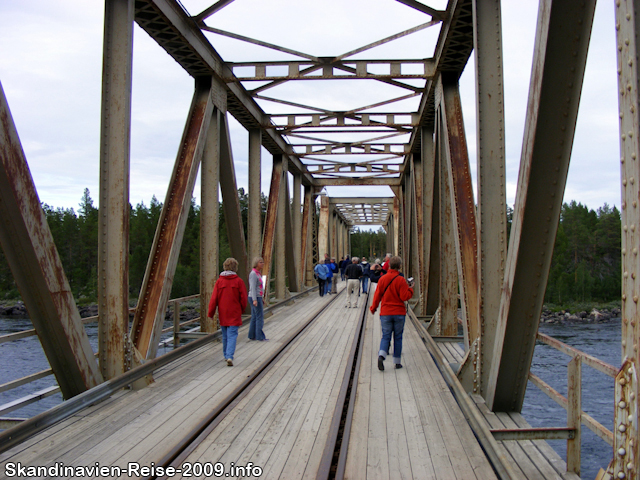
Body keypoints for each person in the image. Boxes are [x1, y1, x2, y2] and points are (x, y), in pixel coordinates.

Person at [369, 255, 414, 371]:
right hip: (399, 313)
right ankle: (397, 362)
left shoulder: (382, 279)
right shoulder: (401, 280)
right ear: (399, 266)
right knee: (398, 337)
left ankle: (382, 355)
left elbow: (377, 295)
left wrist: (373, 308)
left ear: (388, 265)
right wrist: (411, 289)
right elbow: (405, 297)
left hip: (385, 313)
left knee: (386, 336)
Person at [208, 257, 248, 367]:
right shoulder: (239, 281)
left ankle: (226, 355)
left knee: (225, 335)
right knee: (232, 335)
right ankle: (230, 356)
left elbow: (214, 298)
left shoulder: (219, 281)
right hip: (234, 312)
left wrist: (211, 313)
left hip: (223, 312)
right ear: (235, 268)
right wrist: (242, 309)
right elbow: (244, 298)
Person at [248, 256, 267, 341]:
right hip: (254, 297)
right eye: (260, 262)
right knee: (259, 317)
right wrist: (255, 299)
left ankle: (252, 335)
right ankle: (259, 336)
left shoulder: (257, 273)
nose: (262, 264)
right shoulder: (253, 274)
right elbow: (252, 288)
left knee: (254, 317)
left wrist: (261, 298)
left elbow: (258, 287)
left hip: (257, 297)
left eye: (262, 262)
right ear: (256, 264)